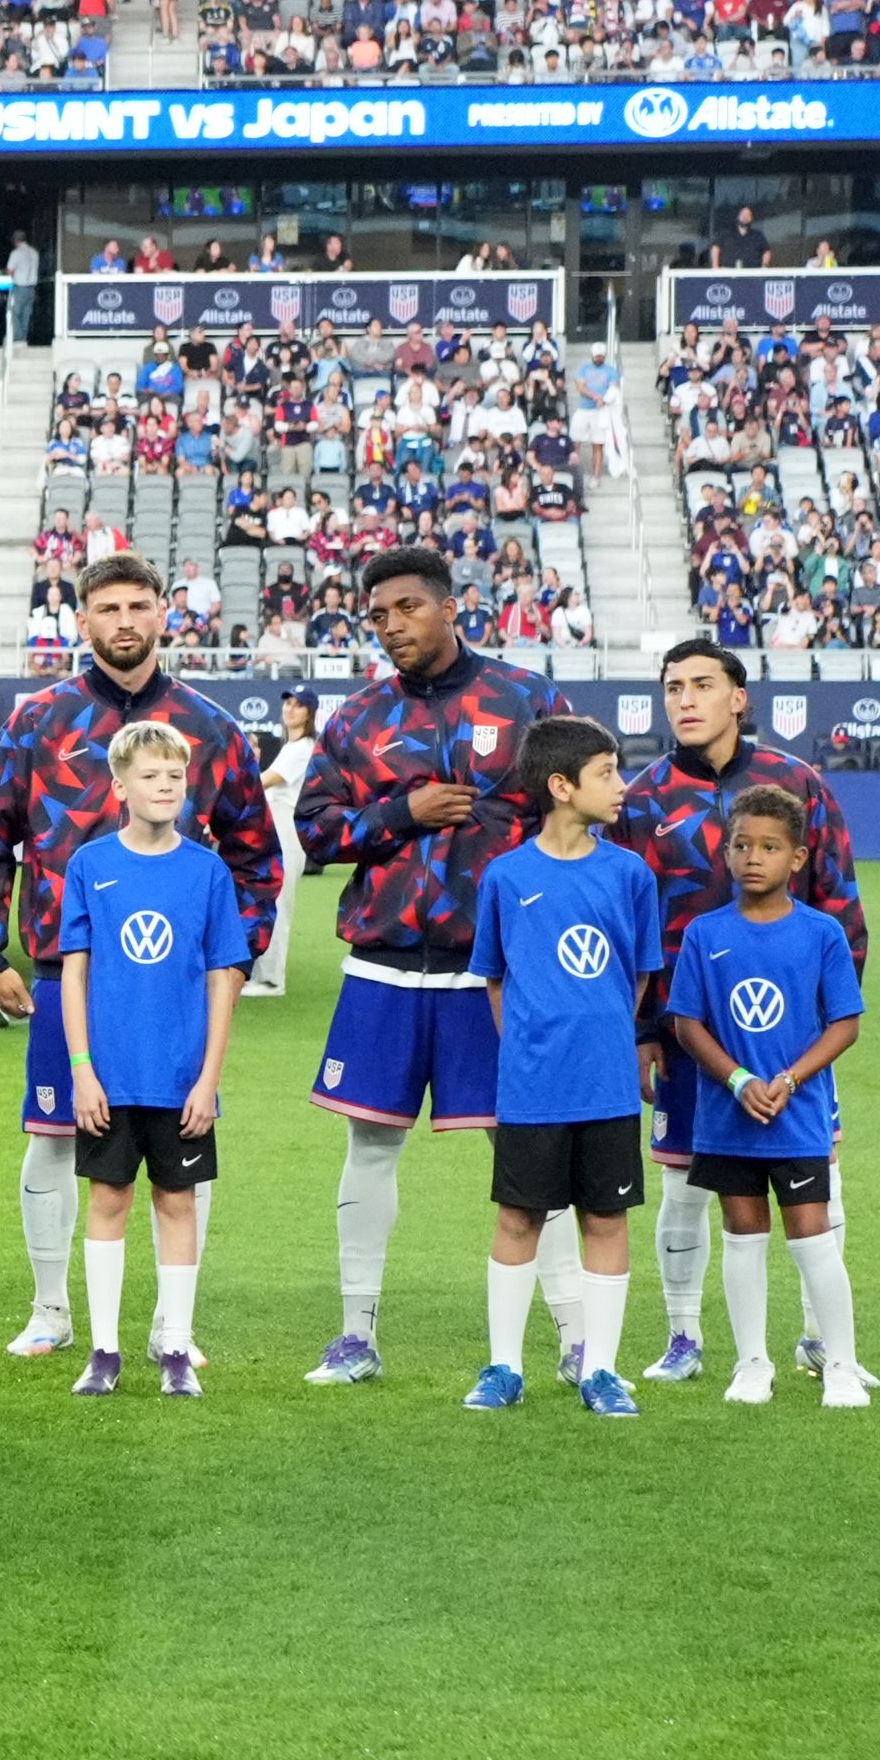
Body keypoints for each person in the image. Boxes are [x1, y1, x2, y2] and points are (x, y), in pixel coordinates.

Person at [0, 552, 280, 1360]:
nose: (124, 621)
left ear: (165, 613)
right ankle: (51, 1307)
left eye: (140, 605)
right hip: (72, 978)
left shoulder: (209, 726)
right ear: (84, 619)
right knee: (55, 1136)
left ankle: (173, 1324)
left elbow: (256, 856)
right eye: (108, 608)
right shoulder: (37, 720)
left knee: (181, 1145)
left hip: (172, 987)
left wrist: (233, 956)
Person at [293, 545, 560, 1386]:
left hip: (496, 970)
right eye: (377, 616)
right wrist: (398, 812)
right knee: (369, 1144)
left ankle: (576, 1343)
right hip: (384, 964)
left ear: (453, 605)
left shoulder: (526, 699)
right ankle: (356, 1335)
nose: (391, 626)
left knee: (524, 1152)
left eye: (406, 608)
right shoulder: (358, 716)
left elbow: (583, 812)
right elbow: (316, 831)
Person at [609, 640, 862, 1384]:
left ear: (738, 697)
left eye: (702, 685)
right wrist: (645, 1029)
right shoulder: (645, 797)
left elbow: (839, 904)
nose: (685, 699)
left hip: (792, 1037)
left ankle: (821, 1339)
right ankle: (685, 1337)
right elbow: (633, 926)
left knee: (819, 1178)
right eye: (673, 687)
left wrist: (822, 1025)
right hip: (686, 1032)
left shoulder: (798, 781)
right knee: (687, 1181)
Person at [464, 718, 661, 1417]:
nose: (621, 785)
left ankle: (600, 1370)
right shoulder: (508, 876)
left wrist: (598, 1030)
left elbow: (638, 975)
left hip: (606, 1082)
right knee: (520, 1217)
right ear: (561, 785)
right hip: (532, 1085)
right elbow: (494, 978)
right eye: (607, 772)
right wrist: (530, 1042)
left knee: (606, 1219)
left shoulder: (630, 874)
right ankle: (502, 1365)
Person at [54, 724, 250, 1401]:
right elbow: (74, 973)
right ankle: (103, 1349)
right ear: (120, 787)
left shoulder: (206, 871)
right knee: (107, 1199)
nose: (165, 785)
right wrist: (82, 1067)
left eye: (174, 774)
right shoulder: (91, 864)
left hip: (180, 1079)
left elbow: (224, 977)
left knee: (177, 1202)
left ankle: (174, 1347)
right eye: (150, 775)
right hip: (109, 1075)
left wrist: (208, 1079)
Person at [662, 786, 867, 1407]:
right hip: (728, 1118)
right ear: (726, 854)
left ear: (798, 858)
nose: (755, 857)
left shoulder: (822, 933)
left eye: (771, 847)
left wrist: (788, 1080)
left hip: (797, 1117)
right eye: (743, 845)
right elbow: (686, 1022)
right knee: (742, 1236)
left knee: (812, 1238)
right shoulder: (704, 933)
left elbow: (844, 1023)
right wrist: (738, 1081)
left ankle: (841, 1365)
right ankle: (752, 1363)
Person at [254, 692, 319, 999]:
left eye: (299, 705)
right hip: (277, 825)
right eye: (288, 704)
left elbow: (264, 782)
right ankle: (263, 975)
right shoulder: (291, 747)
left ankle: (271, 981)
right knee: (270, 900)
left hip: (287, 827)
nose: (291, 709)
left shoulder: (303, 747)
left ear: (310, 713)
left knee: (279, 904)